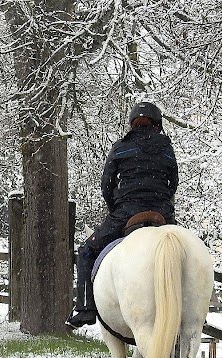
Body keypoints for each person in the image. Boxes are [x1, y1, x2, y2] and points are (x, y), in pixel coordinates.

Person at [66, 101, 178, 328]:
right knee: (184, 251)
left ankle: (86, 308)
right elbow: (173, 182)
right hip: (161, 214)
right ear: (158, 124)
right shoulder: (166, 147)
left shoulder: (121, 147)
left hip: (127, 212)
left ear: (132, 123)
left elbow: (106, 183)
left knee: (87, 251)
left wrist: (115, 207)